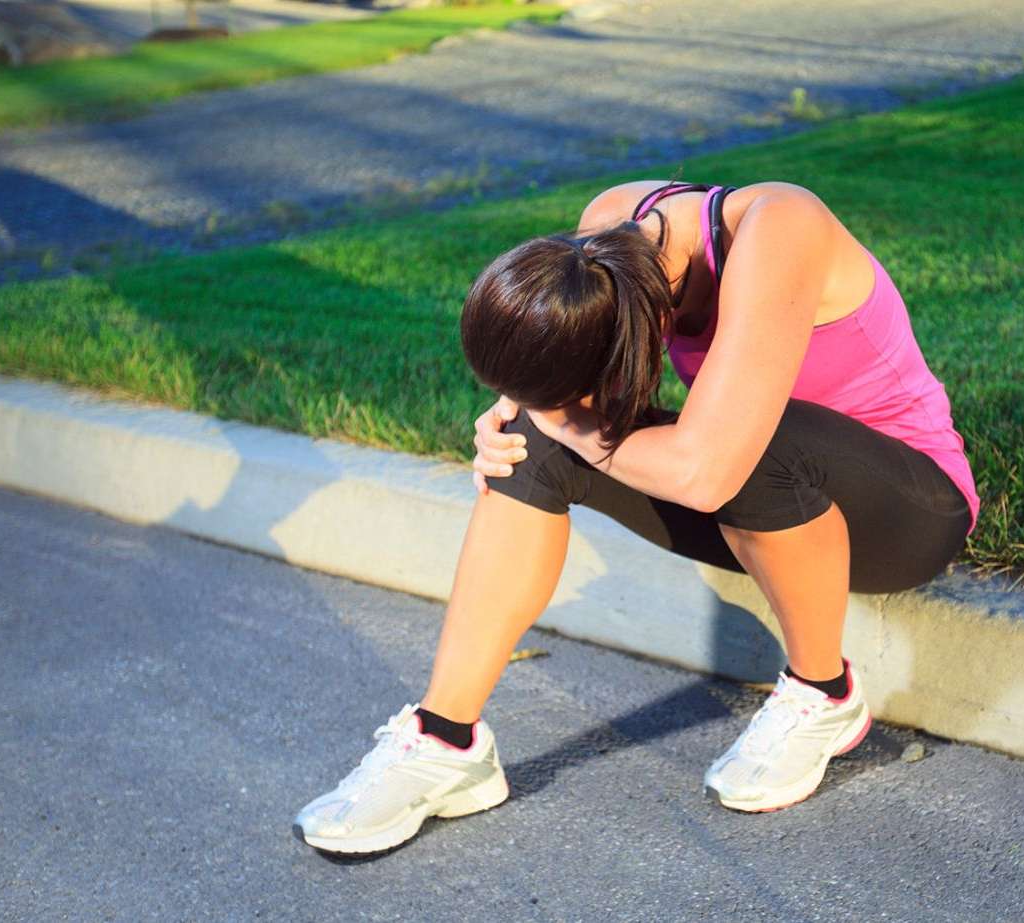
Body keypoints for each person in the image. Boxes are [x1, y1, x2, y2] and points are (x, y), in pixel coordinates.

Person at [293, 178, 981, 854]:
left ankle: (823, 692)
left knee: (740, 445)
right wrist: (520, 422)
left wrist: (563, 419)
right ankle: (445, 742)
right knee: (535, 445)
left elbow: (707, 470)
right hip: (765, 500)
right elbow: (589, 416)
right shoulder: (609, 229)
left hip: (909, 511)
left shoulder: (779, 227)